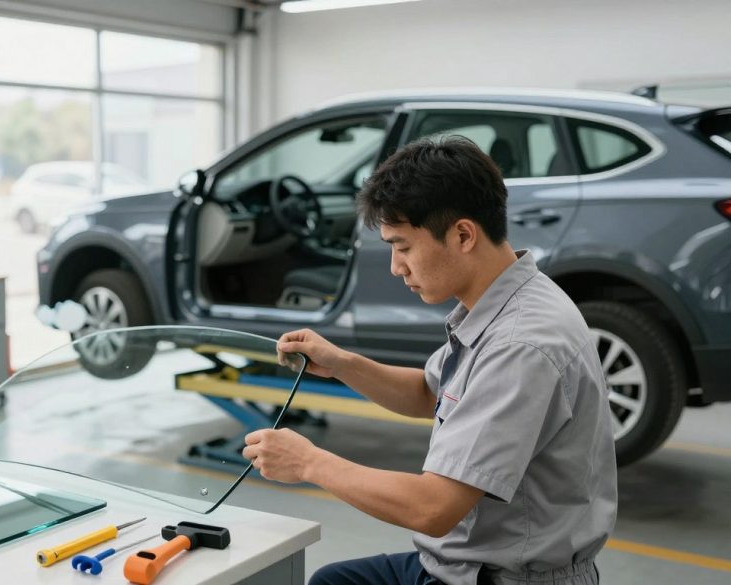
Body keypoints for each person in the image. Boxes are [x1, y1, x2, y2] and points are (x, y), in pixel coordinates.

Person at [242, 136, 617, 585]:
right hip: (461, 563)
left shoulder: (520, 344)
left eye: (403, 247)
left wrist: (309, 463)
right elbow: (429, 392)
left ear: (462, 234)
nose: (396, 267)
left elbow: (432, 507)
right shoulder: (503, 300)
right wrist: (341, 362)